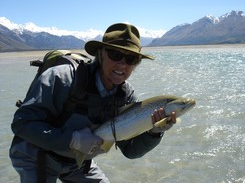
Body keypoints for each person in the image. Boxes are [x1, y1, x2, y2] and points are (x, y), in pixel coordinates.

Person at [9, 23, 177, 183]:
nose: (123, 64)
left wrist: (154, 132)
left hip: (76, 162)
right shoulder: (63, 78)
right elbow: (22, 123)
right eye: (115, 55)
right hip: (36, 153)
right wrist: (72, 140)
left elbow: (130, 150)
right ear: (101, 53)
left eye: (131, 59)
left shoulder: (125, 96)